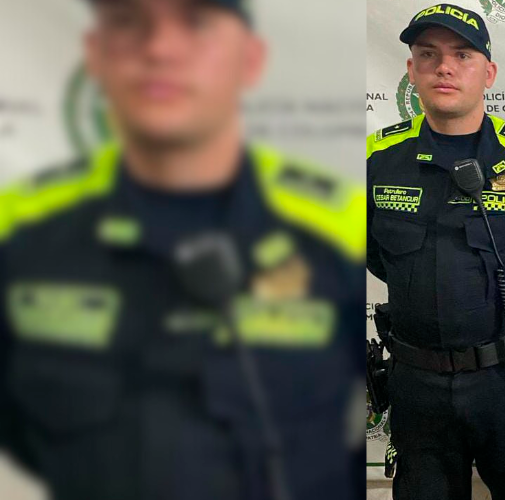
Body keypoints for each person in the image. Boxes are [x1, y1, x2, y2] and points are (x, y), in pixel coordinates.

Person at [0, 1, 366, 499]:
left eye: (196, 22)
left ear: (251, 59)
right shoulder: (19, 225)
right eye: (128, 21)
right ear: (95, 54)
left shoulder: (345, 226)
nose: (159, 48)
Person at [365, 4, 505, 499]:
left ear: (488, 73)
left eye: (462, 55)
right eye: (428, 55)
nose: (444, 68)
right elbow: (369, 251)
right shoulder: (375, 158)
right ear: (411, 70)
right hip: (417, 386)